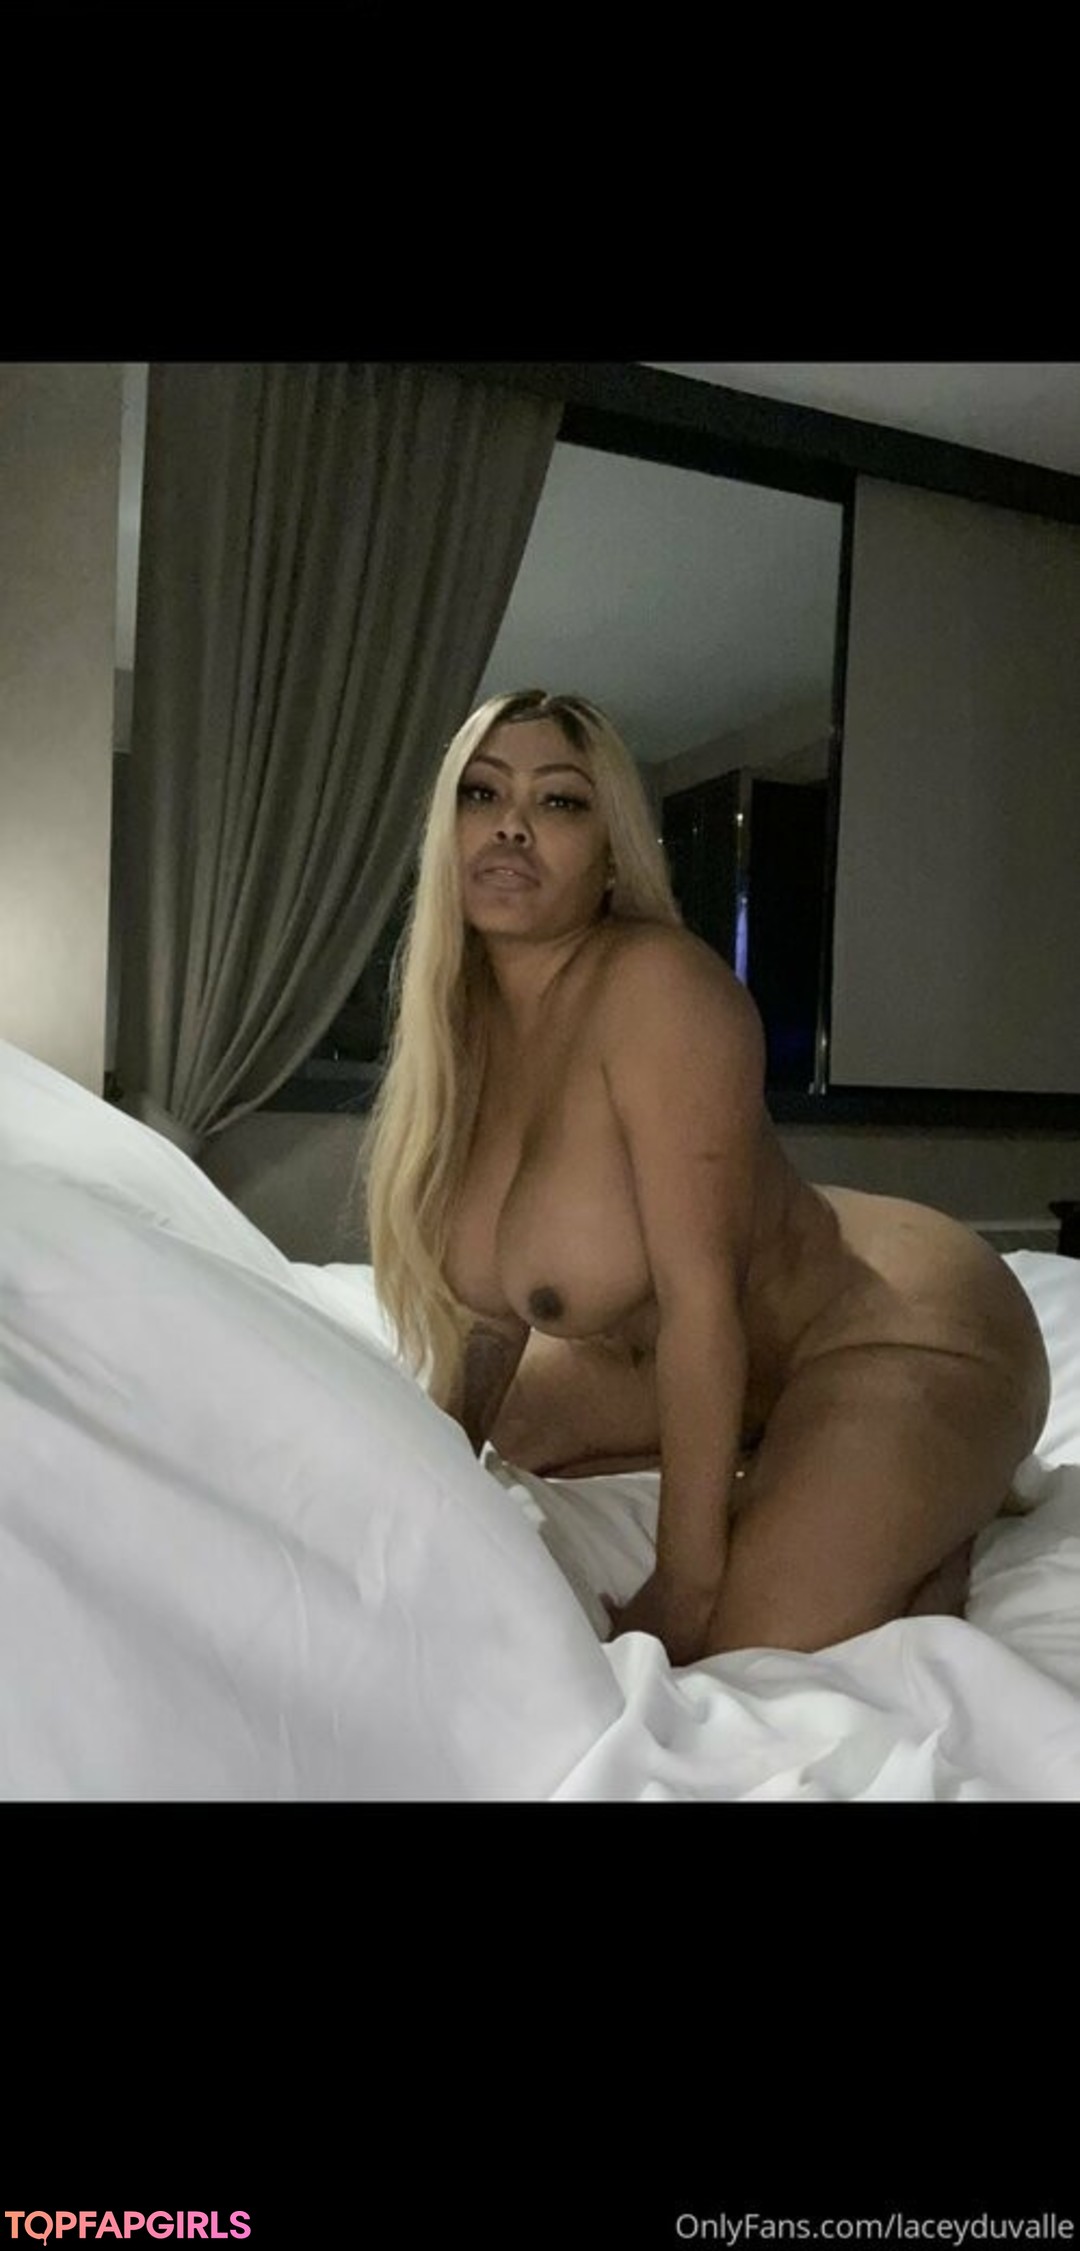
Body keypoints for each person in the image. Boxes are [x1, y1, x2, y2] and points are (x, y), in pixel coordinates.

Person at [362, 690, 1051, 1667]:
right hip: (712, 1356)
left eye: (560, 801)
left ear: (612, 854)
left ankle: (937, 1507)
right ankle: (788, 1454)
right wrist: (420, 1483)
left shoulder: (661, 993)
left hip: (897, 1317)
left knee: (746, 1639)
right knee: (513, 1431)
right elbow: (492, 1318)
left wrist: (687, 1583)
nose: (511, 824)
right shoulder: (461, 1026)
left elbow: (703, 1306)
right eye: (483, 792)